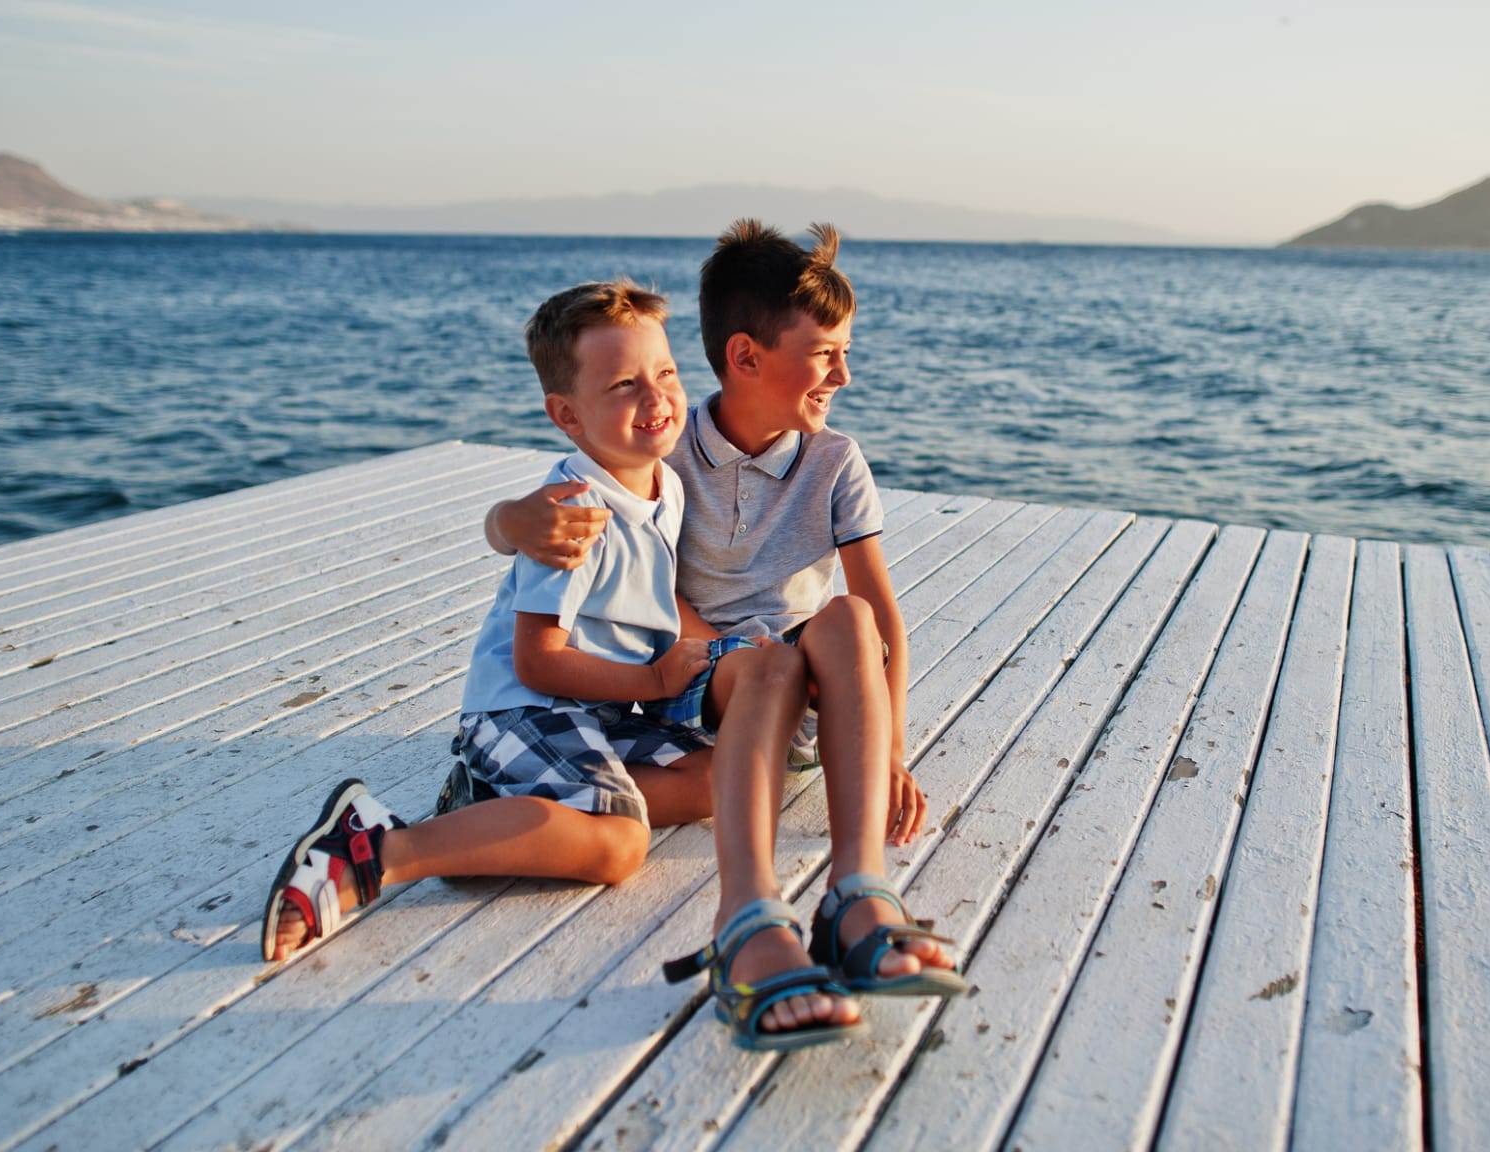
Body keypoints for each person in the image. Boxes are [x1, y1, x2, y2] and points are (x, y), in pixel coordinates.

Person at [262, 281, 863, 1049]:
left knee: (725, 780)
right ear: (567, 415)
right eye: (624, 386)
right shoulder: (571, 512)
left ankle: (504, 807)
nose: (657, 398)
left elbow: (650, 599)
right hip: (525, 707)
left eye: (667, 374)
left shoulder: (666, 487)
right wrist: (652, 680)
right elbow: (536, 660)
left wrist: (717, 652)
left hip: (604, 709)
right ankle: (378, 848)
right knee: (619, 844)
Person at [488, 222, 965, 1042]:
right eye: (824, 353)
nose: (844, 374)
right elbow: (566, 504)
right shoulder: (665, 452)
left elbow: (881, 613)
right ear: (746, 357)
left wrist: (889, 748)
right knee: (763, 662)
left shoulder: (834, 461)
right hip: (709, 685)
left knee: (845, 616)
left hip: (810, 695)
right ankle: (747, 915)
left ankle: (858, 891)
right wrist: (509, 520)